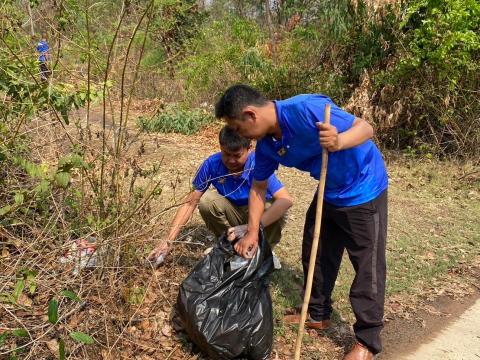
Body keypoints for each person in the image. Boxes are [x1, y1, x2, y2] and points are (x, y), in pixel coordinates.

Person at [215, 85, 388, 360]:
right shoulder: (267, 146)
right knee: (316, 252)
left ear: (250, 115)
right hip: (329, 189)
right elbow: (258, 189)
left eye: (237, 128)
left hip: (363, 187)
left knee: (367, 265)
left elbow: (366, 128)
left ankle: (367, 341)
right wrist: (251, 232)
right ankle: (317, 314)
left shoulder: (306, 109)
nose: (239, 136)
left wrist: (339, 141)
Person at [147, 125, 293, 266]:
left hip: (258, 216)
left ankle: (263, 249)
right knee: (206, 201)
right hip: (233, 213)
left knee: (275, 207)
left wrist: (250, 227)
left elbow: (285, 200)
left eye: (237, 155)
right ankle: (231, 245)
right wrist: (168, 241)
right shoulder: (212, 164)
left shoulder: (259, 163)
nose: (231, 160)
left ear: (249, 149)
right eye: (226, 154)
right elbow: (190, 203)